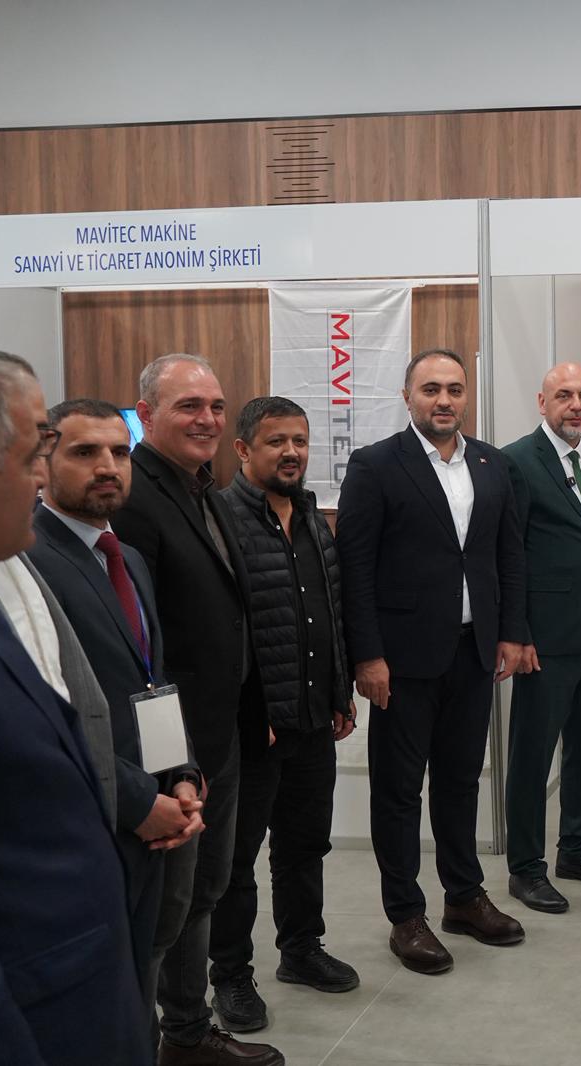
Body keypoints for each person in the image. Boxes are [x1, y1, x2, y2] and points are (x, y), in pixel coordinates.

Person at [112, 353, 285, 1066]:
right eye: (189, 406)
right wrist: (170, 763)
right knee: (168, 908)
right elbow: (138, 646)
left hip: (222, 732)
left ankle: (186, 1033)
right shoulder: (133, 497)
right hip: (173, 748)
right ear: (147, 414)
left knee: (206, 888)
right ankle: (151, 1040)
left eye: (215, 406)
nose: (208, 419)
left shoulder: (202, 489)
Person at [336, 347, 530, 974]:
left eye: (454, 389)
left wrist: (511, 632)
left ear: (466, 396)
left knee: (460, 780)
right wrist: (367, 655)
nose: (443, 400)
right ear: (407, 396)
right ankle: (406, 915)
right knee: (398, 790)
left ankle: (464, 897)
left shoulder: (491, 464)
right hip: (402, 660)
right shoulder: (375, 465)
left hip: (474, 651)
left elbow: (508, 556)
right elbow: (355, 569)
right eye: (430, 389)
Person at [0, 351, 152, 1065]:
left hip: (84, 957)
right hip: (35, 996)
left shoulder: (102, 559)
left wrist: (175, 772)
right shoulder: (41, 554)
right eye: (39, 452)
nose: (40, 477)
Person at [27, 397, 205, 1011]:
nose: (108, 466)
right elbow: (49, 712)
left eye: (120, 453)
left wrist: (182, 774)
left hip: (160, 806)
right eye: (85, 452)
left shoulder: (124, 558)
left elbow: (151, 681)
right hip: (94, 816)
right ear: (42, 463)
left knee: (146, 969)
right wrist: (137, 801)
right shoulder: (27, 563)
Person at [209, 397, 360, 1030]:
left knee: (304, 844)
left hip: (313, 716)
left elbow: (330, 610)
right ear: (244, 450)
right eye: (276, 442)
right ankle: (230, 976)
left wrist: (339, 690)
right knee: (236, 859)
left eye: (299, 440)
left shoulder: (312, 518)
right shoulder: (220, 519)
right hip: (256, 726)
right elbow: (226, 630)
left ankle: (301, 949)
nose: (291, 452)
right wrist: (257, 706)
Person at [502, 362, 581, 913]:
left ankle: (577, 849)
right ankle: (526, 868)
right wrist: (517, 632)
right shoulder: (515, 461)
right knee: (533, 757)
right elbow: (507, 553)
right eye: (564, 396)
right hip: (544, 640)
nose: (575, 405)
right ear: (542, 402)